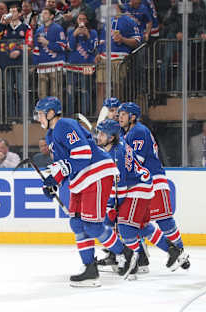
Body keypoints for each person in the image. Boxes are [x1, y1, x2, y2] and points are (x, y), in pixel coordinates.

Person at [34, 96, 138, 287]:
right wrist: (53, 182)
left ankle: (125, 252)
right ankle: (90, 269)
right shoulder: (51, 136)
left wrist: (60, 173)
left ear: (50, 113)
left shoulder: (65, 125)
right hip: (81, 178)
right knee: (76, 223)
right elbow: (63, 164)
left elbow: (83, 154)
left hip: (95, 172)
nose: (38, 118)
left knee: (91, 225)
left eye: (40, 114)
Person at [95, 119, 188, 276]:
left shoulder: (116, 155)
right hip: (142, 186)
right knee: (142, 227)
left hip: (137, 189)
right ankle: (174, 251)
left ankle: (135, 261)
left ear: (111, 138)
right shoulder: (118, 145)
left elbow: (121, 188)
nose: (98, 136)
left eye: (102, 134)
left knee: (125, 226)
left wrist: (112, 206)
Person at [118, 102, 190, 272]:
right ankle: (154, 257)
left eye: (123, 114)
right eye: (119, 114)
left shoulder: (138, 131)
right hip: (141, 185)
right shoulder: (127, 134)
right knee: (141, 226)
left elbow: (136, 162)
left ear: (133, 117)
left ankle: (180, 252)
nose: (119, 116)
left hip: (153, 179)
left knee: (164, 219)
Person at [0, 4, 30, 119]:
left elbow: (30, 44)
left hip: (20, 64)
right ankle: (11, 117)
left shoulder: (25, 27)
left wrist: (19, 51)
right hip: (6, 65)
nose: (12, 14)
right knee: (8, 92)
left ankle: (24, 117)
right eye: (10, 11)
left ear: (19, 14)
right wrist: (1, 24)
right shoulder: (3, 27)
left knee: (21, 91)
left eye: (14, 11)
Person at [65, 11, 97, 115]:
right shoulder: (71, 31)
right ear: (76, 21)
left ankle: (85, 115)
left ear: (87, 21)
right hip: (72, 66)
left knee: (85, 91)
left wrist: (87, 35)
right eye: (80, 19)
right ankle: (70, 115)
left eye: (84, 19)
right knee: (70, 91)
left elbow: (92, 49)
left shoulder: (93, 33)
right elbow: (70, 47)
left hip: (86, 66)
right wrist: (74, 35)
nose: (82, 22)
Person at [33, 7, 66, 99]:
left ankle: (56, 113)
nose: (43, 15)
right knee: (41, 93)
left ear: (52, 16)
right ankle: (43, 113)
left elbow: (62, 47)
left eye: (45, 13)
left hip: (56, 64)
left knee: (55, 93)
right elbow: (36, 49)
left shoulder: (58, 28)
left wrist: (47, 43)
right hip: (42, 65)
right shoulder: (39, 30)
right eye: (42, 13)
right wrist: (35, 63)